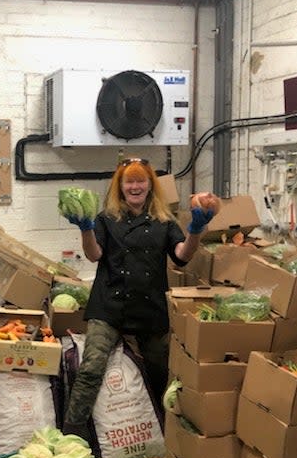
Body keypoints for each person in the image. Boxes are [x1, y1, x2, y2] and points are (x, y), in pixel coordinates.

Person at [62, 156, 215, 437]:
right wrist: (85, 228)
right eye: (129, 181)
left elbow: (181, 256)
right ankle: (73, 432)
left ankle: (166, 431)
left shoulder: (163, 221)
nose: (135, 186)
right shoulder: (106, 219)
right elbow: (94, 254)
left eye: (140, 180)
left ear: (149, 185)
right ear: (120, 186)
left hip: (149, 307)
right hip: (109, 304)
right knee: (91, 369)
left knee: (161, 372)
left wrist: (195, 232)